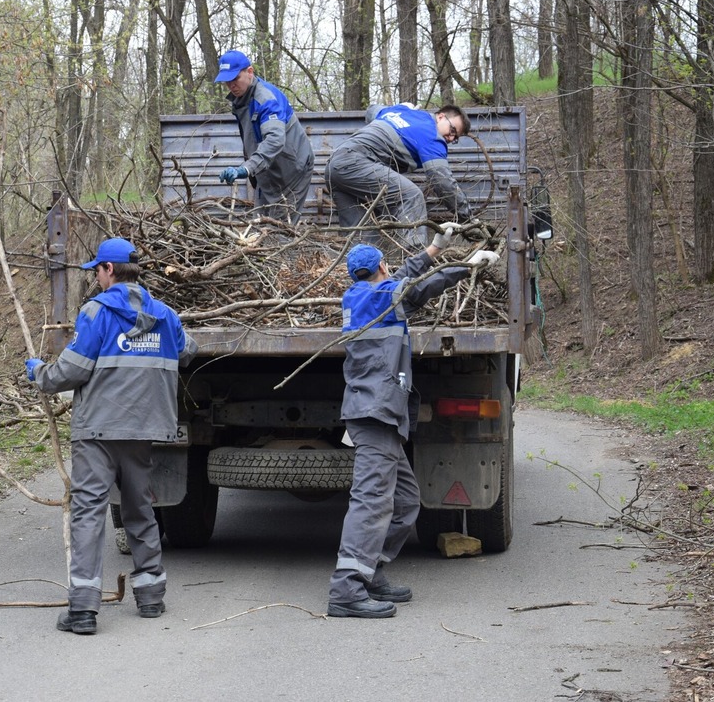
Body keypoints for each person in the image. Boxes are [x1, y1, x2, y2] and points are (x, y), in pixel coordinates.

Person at [25, 237, 198, 635]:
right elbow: (187, 350)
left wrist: (38, 373)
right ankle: (151, 597)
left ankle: (83, 609)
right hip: (144, 430)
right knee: (140, 508)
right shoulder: (166, 315)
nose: (95, 279)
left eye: (96, 272)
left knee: (88, 513)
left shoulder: (96, 312)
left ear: (108, 271)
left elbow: (70, 371)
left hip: (98, 431)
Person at [327, 231, 500, 618]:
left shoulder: (362, 294)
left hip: (381, 414)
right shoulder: (386, 296)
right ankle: (346, 590)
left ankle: (370, 572)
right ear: (381, 268)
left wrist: (436, 247)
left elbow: (406, 276)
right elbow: (421, 285)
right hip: (374, 414)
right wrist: (466, 265)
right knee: (371, 501)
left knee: (405, 500)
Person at [325, 103, 472, 249]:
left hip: (334, 166)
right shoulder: (433, 136)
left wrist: (397, 107)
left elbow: (371, 110)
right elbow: (442, 182)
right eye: (452, 130)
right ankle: (417, 261)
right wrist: (468, 219)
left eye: (456, 137)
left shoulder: (402, 111)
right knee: (412, 196)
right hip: (356, 163)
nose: (451, 138)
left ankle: (363, 270)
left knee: (361, 238)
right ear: (440, 117)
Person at [214, 49, 314, 221]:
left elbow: (275, 140)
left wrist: (246, 168)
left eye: (235, 78)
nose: (231, 85)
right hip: (267, 170)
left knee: (281, 229)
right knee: (259, 225)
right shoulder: (243, 100)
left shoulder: (266, 99)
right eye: (226, 81)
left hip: (292, 171)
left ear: (249, 72)